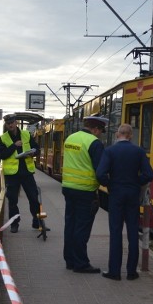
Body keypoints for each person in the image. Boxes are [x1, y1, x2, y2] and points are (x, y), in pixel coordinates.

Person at [96, 123, 153, 281]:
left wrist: (110, 184)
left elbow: (100, 173)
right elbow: (149, 174)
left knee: (116, 232)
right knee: (133, 231)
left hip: (116, 194)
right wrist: (136, 182)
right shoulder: (139, 151)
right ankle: (131, 272)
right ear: (130, 136)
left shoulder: (110, 151)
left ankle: (114, 271)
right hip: (133, 195)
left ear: (117, 134)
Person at [62, 115, 108, 274]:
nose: (100, 134)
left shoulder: (70, 138)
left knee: (70, 225)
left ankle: (69, 260)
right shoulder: (94, 143)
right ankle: (81, 263)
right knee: (82, 227)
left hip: (68, 188)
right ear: (95, 128)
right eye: (100, 131)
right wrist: (110, 184)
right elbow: (100, 171)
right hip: (85, 191)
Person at [0, 113, 41, 233]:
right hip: (12, 175)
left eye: (12, 123)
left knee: (33, 197)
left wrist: (33, 152)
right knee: (12, 201)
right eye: (8, 123)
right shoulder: (2, 138)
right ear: (6, 124)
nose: (10, 125)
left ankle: (36, 221)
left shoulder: (26, 135)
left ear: (16, 123)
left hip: (27, 173)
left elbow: (37, 148)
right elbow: (2, 155)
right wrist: (13, 146)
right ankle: (14, 224)